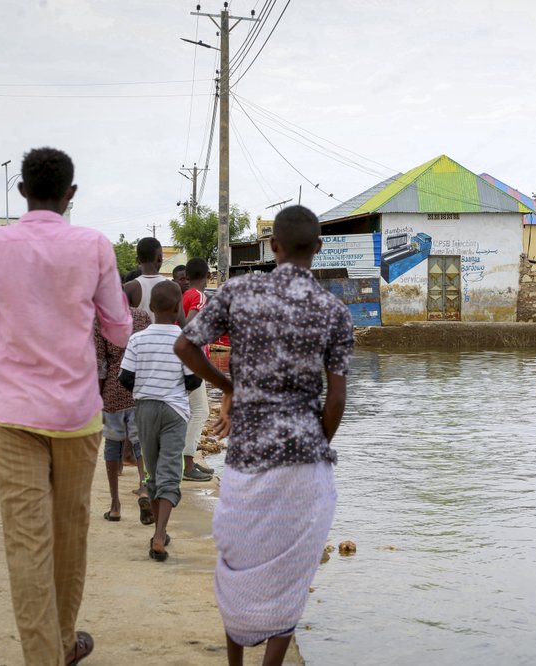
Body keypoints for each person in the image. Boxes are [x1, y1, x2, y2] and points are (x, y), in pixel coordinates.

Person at [0, 147, 132, 665]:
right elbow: (118, 327)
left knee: (27, 542)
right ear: (70, 194)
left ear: (21, 190)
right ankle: (60, 644)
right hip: (78, 416)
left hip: (11, 416)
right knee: (70, 534)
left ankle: (47, 655)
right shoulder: (94, 246)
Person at [175, 205, 354, 666]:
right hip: (304, 460)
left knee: (239, 562)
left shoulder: (238, 290)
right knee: (291, 572)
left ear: (273, 245)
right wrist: (318, 444)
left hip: (248, 456)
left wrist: (230, 387)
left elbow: (185, 346)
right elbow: (335, 400)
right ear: (317, 248)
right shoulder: (332, 310)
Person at [119, 281, 201, 561]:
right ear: (178, 308)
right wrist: (175, 390)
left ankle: (158, 529)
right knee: (170, 471)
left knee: (154, 471)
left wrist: (147, 390)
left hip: (145, 410)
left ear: (151, 308)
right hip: (175, 411)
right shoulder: (186, 339)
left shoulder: (137, 339)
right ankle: (158, 534)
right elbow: (194, 379)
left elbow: (125, 378)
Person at [95, 307, 153, 522]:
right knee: (141, 444)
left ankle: (115, 506)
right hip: (140, 390)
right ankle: (144, 488)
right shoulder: (142, 316)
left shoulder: (101, 319)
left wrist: (98, 396)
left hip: (113, 390)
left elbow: (100, 363)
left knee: (112, 445)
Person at [180, 257, 213, 482]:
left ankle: (187, 461)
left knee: (191, 412)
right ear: (208, 275)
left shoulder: (185, 295)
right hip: (193, 361)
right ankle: (188, 463)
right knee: (201, 411)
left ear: (188, 277)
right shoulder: (199, 296)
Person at [123, 237, 184, 326]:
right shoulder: (173, 287)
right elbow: (183, 324)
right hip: (168, 339)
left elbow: (121, 324)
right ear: (159, 258)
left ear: (138, 260)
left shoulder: (129, 288)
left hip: (138, 339)